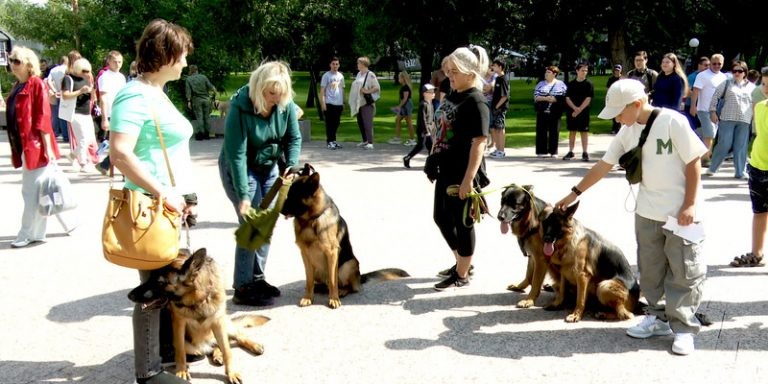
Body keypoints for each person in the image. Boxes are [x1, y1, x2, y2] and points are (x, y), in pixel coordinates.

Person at [556, 79, 707, 355]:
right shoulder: (627, 130)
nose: (616, 118)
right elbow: (603, 165)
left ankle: (684, 328)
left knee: (684, 270)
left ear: (637, 104)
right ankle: (657, 317)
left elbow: (693, 161)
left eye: (619, 112)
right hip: (647, 212)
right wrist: (574, 193)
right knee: (650, 270)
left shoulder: (673, 121)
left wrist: (690, 205)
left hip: (681, 213)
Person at [108, 19, 197, 384]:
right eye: (183, 56)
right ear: (166, 54)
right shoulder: (135, 94)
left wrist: (184, 197)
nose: (186, 64)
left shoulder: (155, 92)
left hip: (169, 205)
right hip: (151, 206)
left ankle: (162, 353)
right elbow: (120, 153)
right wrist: (164, 193)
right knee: (153, 290)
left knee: (167, 282)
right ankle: (148, 372)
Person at [218, 61, 302, 306]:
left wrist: (291, 164)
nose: (276, 99)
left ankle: (257, 277)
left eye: (281, 94)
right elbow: (237, 155)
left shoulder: (284, 104)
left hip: (270, 167)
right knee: (251, 225)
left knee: (266, 224)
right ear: (258, 88)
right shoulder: (240, 108)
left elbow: (293, 137)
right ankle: (243, 286)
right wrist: (243, 194)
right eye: (271, 93)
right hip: (241, 168)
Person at [431, 45, 490, 291]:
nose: (449, 76)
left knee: (462, 221)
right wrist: (433, 156)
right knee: (441, 217)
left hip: (462, 170)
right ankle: (461, 262)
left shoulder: (476, 101)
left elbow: (479, 143)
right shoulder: (453, 94)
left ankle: (462, 273)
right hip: (445, 165)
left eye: (454, 71)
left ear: (469, 72)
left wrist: (468, 180)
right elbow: (441, 128)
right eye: (448, 71)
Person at [6, 47, 77, 249]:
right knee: (36, 192)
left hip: (36, 146)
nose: (12, 64)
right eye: (11, 60)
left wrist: (48, 149)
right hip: (24, 146)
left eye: (16, 60)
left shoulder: (36, 84)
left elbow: (43, 118)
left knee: (30, 192)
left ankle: (26, 233)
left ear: (29, 63)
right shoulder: (18, 86)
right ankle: (38, 232)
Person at [730, 68, 768, 267]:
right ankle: (757, 253)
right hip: (758, 165)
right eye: (764, 84)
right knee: (759, 211)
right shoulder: (760, 106)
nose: (766, 89)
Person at [706, 62, 755, 179]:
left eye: (740, 71)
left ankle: (740, 172)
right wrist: (712, 112)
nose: (736, 73)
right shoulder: (727, 83)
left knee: (741, 146)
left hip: (745, 120)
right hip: (727, 118)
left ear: (745, 73)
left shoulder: (752, 87)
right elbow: (715, 97)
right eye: (734, 71)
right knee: (724, 143)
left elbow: (755, 103)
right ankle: (713, 167)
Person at [61, 58, 98, 173]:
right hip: (75, 112)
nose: (87, 74)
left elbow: (93, 98)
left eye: (88, 71)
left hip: (86, 112)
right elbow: (65, 95)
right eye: (84, 71)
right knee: (82, 138)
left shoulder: (87, 80)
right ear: (77, 69)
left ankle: (73, 155)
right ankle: (83, 162)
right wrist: (80, 91)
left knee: (90, 138)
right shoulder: (68, 79)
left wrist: (92, 92)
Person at [690, 54, 727, 166]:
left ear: (723, 64)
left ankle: (706, 155)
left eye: (719, 64)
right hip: (703, 109)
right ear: (710, 63)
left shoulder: (724, 77)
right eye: (714, 63)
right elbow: (695, 91)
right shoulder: (702, 75)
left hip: (717, 110)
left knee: (712, 134)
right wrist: (693, 106)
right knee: (709, 134)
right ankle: (705, 159)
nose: (716, 66)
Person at [96, 51, 127, 174]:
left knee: (121, 143)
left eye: (120, 62)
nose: (118, 64)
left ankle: (105, 164)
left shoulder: (121, 77)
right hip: (111, 113)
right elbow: (103, 98)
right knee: (119, 143)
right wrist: (104, 118)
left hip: (122, 112)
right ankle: (111, 166)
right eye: (115, 61)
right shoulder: (104, 77)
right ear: (108, 61)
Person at [533, 65, 567, 157]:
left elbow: (564, 97)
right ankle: (541, 151)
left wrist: (555, 99)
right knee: (541, 130)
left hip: (555, 111)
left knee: (554, 131)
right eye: (546, 72)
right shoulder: (540, 84)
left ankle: (553, 151)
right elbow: (536, 97)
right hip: (542, 111)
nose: (546, 74)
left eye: (548, 72)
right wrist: (546, 98)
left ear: (554, 74)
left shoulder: (561, 84)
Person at [563, 63, 594, 161]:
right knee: (572, 131)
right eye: (582, 70)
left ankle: (585, 152)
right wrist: (574, 108)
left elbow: (588, 98)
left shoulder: (589, 84)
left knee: (584, 131)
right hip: (572, 111)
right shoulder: (571, 84)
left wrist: (579, 109)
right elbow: (567, 98)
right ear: (577, 71)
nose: (584, 72)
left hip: (584, 111)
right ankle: (571, 151)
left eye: (586, 70)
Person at [403, 83, 437, 168]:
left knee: (430, 146)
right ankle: (407, 157)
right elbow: (423, 119)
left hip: (429, 128)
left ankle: (431, 163)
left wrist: (433, 127)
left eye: (434, 92)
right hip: (423, 129)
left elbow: (432, 118)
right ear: (425, 94)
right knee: (421, 146)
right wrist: (426, 131)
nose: (433, 94)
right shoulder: (423, 104)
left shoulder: (431, 104)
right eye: (431, 92)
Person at [349, 56, 380, 149]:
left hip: (367, 102)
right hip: (359, 102)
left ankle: (370, 142)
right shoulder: (359, 74)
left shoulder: (370, 75)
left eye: (358, 63)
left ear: (363, 64)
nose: (357, 65)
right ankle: (365, 140)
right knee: (360, 122)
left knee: (367, 122)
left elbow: (376, 87)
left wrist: (366, 91)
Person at [185, 64, 216, 141]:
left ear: (190, 71)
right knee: (207, 117)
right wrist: (213, 96)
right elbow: (212, 87)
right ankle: (207, 134)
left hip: (197, 100)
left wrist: (189, 101)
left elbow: (188, 91)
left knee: (199, 117)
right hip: (206, 99)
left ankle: (200, 135)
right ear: (197, 70)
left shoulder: (189, 79)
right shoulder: (203, 77)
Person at [320, 56, 345, 150]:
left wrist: (343, 102)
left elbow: (342, 89)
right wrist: (323, 103)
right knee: (329, 123)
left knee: (337, 122)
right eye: (333, 64)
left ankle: (333, 141)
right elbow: (322, 90)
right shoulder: (326, 76)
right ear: (330, 65)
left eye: (337, 64)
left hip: (338, 103)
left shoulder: (341, 76)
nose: (335, 66)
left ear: (339, 65)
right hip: (329, 102)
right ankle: (329, 141)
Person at [488, 59, 509, 159]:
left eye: (495, 66)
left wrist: (497, 107)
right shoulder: (497, 78)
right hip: (494, 107)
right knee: (495, 129)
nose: (493, 67)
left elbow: (505, 96)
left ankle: (501, 150)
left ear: (500, 67)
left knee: (500, 129)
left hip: (500, 108)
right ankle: (497, 149)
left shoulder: (503, 79)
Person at [46, 56, 70, 142]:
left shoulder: (54, 70)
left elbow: (48, 81)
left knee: (57, 114)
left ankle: (57, 132)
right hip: (66, 93)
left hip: (58, 93)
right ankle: (67, 135)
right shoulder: (68, 69)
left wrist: (54, 90)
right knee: (65, 115)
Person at [684, 57, 710, 132]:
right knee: (692, 128)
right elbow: (687, 91)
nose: (708, 67)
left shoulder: (707, 76)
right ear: (699, 65)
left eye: (709, 65)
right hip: (691, 106)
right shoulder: (692, 77)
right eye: (705, 65)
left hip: (703, 107)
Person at [390, 72, 415, 145]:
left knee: (409, 122)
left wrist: (399, 106)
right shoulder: (403, 86)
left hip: (407, 105)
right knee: (397, 120)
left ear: (403, 78)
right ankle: (398, 138)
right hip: (404, 105)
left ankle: (412, 140)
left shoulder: (406, 87)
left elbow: (405, 99)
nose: (398, 79)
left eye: (399, 77)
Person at [607, 64, 623, 134]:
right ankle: (614, 128)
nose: (617, 71)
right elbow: (608, 89)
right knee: (614, 114)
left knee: (620, 113)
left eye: (618, 70)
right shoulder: (611, 79)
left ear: (620, 71)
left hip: (621, 98)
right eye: (616, 70)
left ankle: (620, 128)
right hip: (613, 98)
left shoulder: (622, 79)